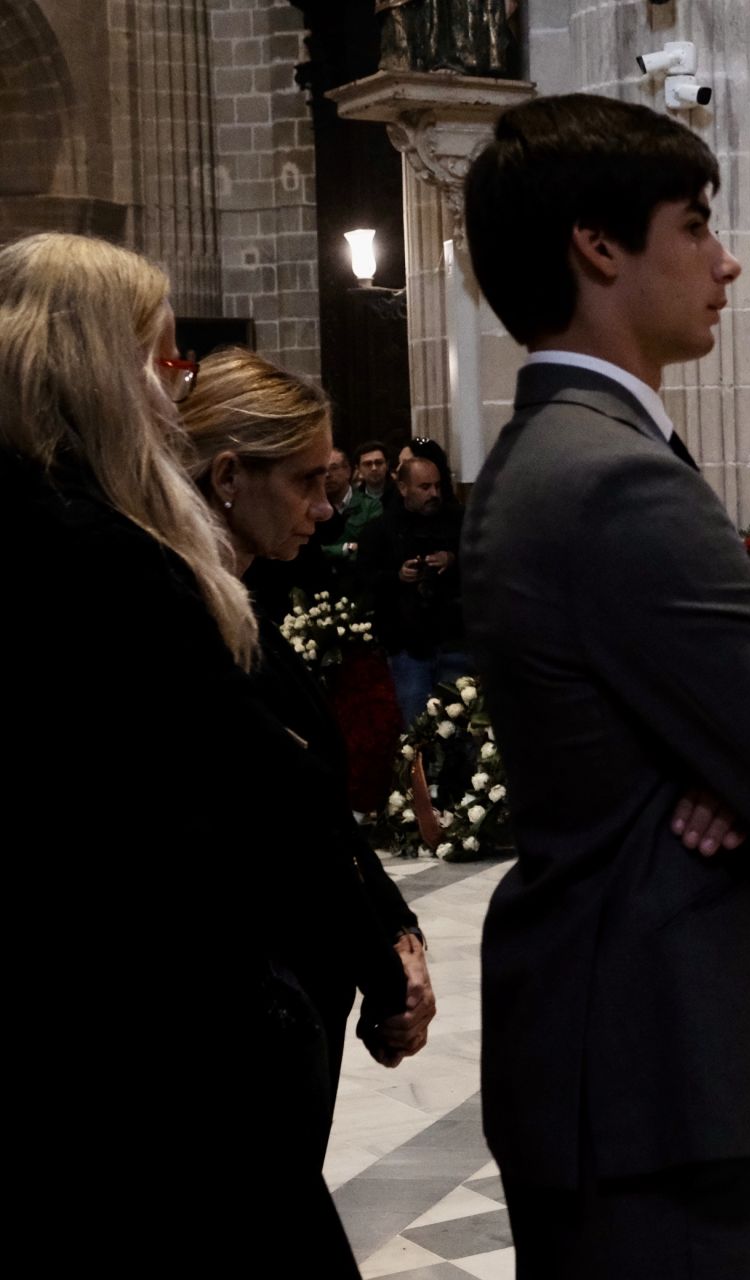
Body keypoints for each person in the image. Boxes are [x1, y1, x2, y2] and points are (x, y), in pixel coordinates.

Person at [460, 93, 750, 1278]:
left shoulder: (547, 454)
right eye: (694, 224)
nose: (725, 259)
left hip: (608, 1056)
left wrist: (739, 774)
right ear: (598, 245)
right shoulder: (614, 479)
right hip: (664, 1065)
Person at [0, 232, 357, 1268]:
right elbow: (243, 781)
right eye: (164, 361)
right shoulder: (101, 558)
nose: (176, 395)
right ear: (95, 369)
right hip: (143, 1037)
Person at [179, 345, 437, 1108]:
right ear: (228, 477)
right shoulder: (185, 619)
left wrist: (398, 932)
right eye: (304, 483)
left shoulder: (246, 607)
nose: (324, 509)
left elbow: (324, 809)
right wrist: (387, 978)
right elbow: (288, 823)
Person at [359, 453, 470, 720]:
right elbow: (364, 580)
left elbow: (483, 561)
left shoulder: (458, 520)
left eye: (437, 486)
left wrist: (452, 558)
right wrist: (398, 576)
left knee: (463, 723)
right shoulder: (380, 529)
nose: (434, 493)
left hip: (455, 639)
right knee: (416, 725)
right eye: (424, 487)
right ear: (403, 487)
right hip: (409, 645)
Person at [353, 438, 398, 512]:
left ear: (387, 465)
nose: (374, 468)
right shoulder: (354, 499)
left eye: (379, 463)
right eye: (368, 464)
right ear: (358, 468)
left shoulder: (400, 495)